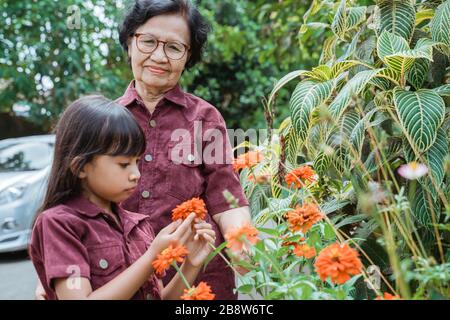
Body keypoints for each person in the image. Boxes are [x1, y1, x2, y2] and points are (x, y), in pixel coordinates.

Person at [114, 0, 252, 299]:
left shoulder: (205, 118)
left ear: (188, 57)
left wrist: (244, 245)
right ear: (129, 43)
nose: (159, 56)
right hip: (123, 281)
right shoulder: (104, 122)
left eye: (175, 48)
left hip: (200, 284)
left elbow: (226, 196)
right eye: (148, 41)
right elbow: (75, 204)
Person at [30, 96, 215, 300]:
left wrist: (191, 264)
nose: (136, 173)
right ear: (80, 166)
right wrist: (152, 256)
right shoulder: (59, 224)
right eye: (124, 164)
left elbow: (160, 297)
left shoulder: (138, 225)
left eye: (137, 161)